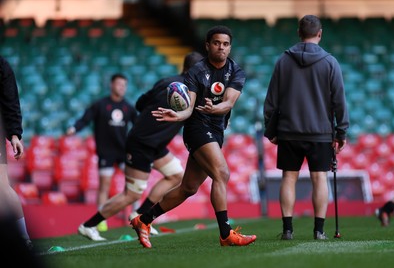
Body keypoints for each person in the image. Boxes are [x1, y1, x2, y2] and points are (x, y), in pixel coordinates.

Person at [131, 25, 257, 248]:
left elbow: (228, 103)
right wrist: (177, 114)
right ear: (208, 45)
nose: (221, 48)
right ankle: (226, 234)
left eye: (226, 44)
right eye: (217, 43)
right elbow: (188, 109)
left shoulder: (236, 71)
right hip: (197, 128)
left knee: (187, 188)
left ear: (230, 47)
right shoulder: (195, 72)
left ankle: (144, 220)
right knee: (222, 173)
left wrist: (215, 110)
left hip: (216, 129)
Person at [77, 52, 204, 241]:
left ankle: (141, 214)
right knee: (131, 193)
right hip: (142, 144)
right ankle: (89, 225)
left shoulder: (165, 82)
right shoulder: (192, 91)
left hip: (155, 143)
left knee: (176, 175)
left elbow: (140, 103)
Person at [263, 15, 349, 240]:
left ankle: (287, 230)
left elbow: (271, 99)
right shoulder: (330, 62)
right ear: (319, 33)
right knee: (319, 178)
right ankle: (319, 231)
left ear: (299, 33)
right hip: (320, 132)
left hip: (289, 131)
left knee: (288, 177)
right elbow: (339, 101)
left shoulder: (283, 60)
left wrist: (270, 130)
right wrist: (341, 132)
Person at [66, 73, 138, 232]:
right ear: (112, 85)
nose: (122, 88)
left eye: (124, 85)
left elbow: (138, 125)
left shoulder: (128, 107)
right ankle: (101, 219)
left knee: (134, 182)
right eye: (119, 84)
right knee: (104, 186)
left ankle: (137, 215)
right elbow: (85, 119)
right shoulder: (100, 105)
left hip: (123, 152)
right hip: (106, 153)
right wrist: (75, 128)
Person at [0, 56, 33, 249]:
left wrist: (14, 134)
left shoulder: (1, 65)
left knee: (2, 187)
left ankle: (23, 236)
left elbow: (10, 99)